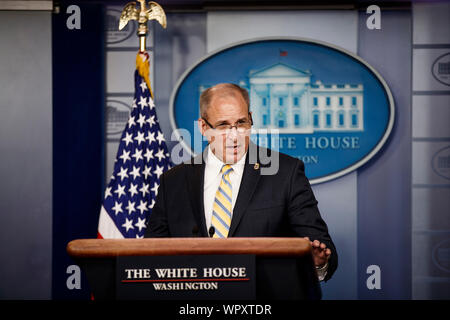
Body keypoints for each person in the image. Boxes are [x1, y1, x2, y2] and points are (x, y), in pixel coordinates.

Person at [145, 83, 337, 281]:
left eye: (242, 123)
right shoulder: (174, 181)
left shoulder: (286, 173)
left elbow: (321, 248)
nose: (234, 136)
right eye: (223, 125)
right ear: (203, 127)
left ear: (251, 119)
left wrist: (317, 262)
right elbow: (149, 253)